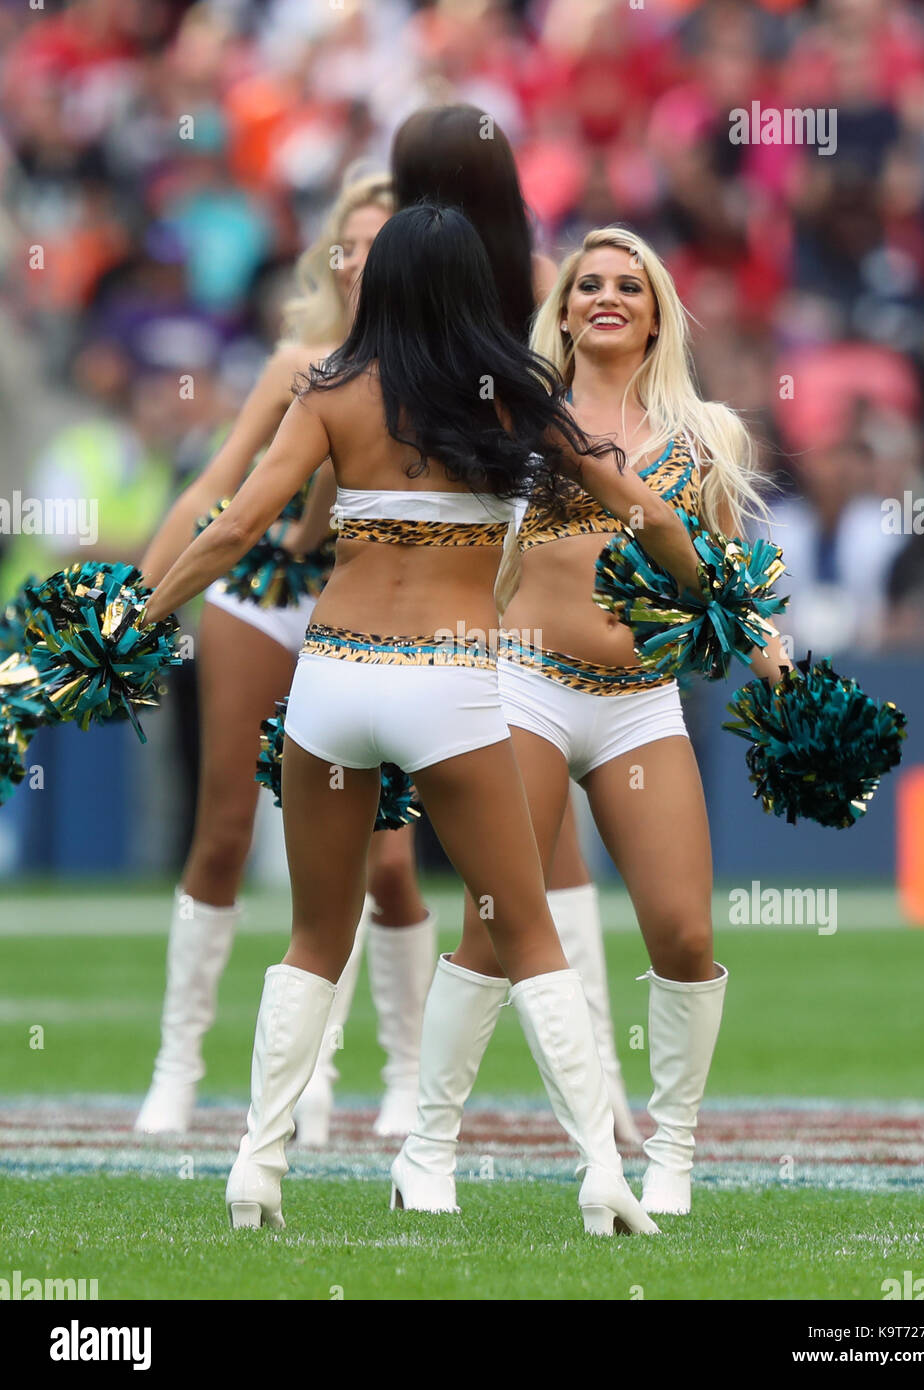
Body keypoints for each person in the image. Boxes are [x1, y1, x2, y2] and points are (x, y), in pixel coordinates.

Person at [140, 204, 703, 1234]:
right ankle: (601, 1175)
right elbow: (652, 514)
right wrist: (714, 594)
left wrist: (141, 614)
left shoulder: (328, 392)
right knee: (526, 931)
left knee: (314, 934)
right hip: (448, 682)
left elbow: (238, 526)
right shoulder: (517, 400)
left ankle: (255, 1168)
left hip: (335, 680)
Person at [394, 226, 790, 1218]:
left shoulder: (707, 436)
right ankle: (425, 1151)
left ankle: (674, 1155)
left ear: (655, 311)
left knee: (684, 931)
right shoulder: (516, 415)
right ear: (563, 309)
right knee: (494, 919)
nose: (606, 296)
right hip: (523, 685)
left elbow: (718, 576)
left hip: (638, 703)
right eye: (587, 285)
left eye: (628, 284)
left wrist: (764, 643)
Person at [295, 105, 641, 1142]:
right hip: (506, 568)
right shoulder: (506, 271)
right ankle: (553, 1105)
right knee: (529, 864)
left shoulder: (497, 274)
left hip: (457, 574)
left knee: (440, 864)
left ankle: (397, 1094)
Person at [134, 169, 436, 1144]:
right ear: (332, 258)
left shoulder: (441, 372)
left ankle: (383, 1073)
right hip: (262, 591)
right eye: (349, 243)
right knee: (222, 824)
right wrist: (138, 600)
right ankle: (177, 1066)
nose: (361, 260)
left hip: (370, 606)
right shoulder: (294, 367)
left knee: (385, 857)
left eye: (381, 242)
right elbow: (215, 489)